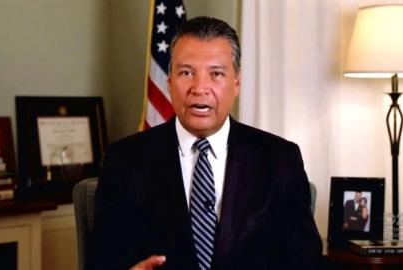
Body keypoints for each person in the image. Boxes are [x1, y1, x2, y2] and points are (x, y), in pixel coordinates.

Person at [93, 16, 322, 270]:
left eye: (216, 74)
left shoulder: (279, 159)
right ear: (169, 82)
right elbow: (102, 260)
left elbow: (305, 259)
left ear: (236, 83)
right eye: (187, 72)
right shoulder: (125, 160)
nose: (200, 87)